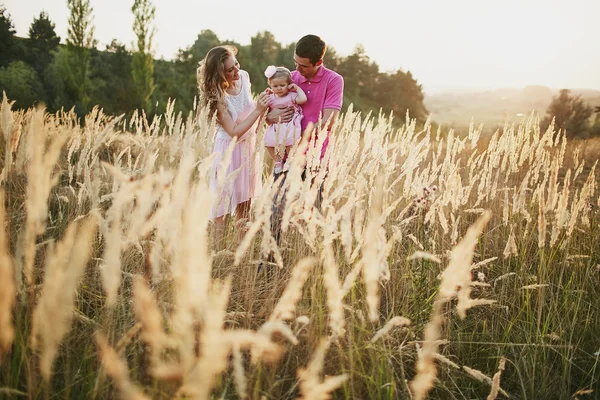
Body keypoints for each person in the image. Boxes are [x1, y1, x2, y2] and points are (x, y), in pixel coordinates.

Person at [197, 45, 270, 244]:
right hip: (227, 151)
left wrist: (265, 104)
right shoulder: (216, 96)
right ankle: (217, 253)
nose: (236, 71)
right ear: (218, 74)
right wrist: (259, 109)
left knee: (244, 205)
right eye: (230, 70)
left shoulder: (244, 77)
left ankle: (241, 253)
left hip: (248, 148)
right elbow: (234, 132)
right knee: (221, 207)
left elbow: (250, 108)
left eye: (236, 64)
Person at [266, 34, 344, 173]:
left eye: (303, 66)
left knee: (314, 196)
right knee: (280, 195)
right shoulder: (288, 79)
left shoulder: (333, 80)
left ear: (319, 63)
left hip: (316, 158)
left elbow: (329, 121)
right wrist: (269, 117)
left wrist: (296, 136)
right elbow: (268, 111)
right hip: (286, 159)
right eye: (295, 62)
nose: (297, 69)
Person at [263, 65, 307, 174]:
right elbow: (263, 110)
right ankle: (278, 161)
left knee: (289, 144)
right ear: (270, 85)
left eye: (282, 85)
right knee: (268, 143)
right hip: (276, 127)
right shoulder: (271, 98)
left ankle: (290, 162)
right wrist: (264, 94)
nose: (279, 88)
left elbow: (303, 99)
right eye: (275, 86)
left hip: (289, 125)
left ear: (289, 85)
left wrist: (297, 88)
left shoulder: (291, 96)